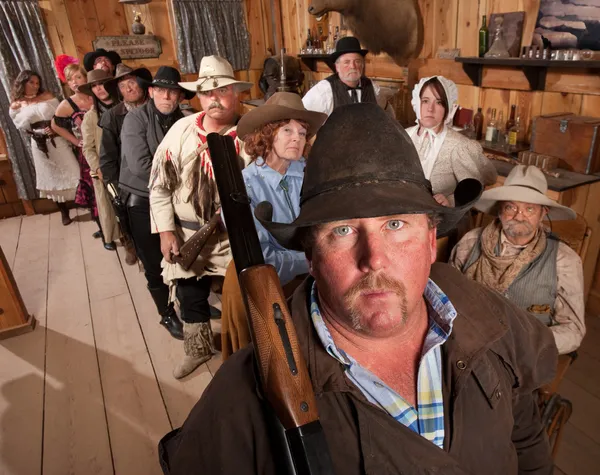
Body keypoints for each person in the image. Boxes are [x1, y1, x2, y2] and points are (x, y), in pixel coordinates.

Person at [159, 103, 557, 475]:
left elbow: (524, 436)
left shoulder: (493, 321)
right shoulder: (243, 399)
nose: (375, 259)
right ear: (311, 256)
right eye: (344, 230)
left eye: (396, 225)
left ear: (431, 237)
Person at [149, 55, 252, 378]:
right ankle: (197, 349)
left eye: (222, 91)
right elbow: (159, 187)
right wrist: (166, 231)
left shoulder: (252, 133)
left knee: (242, 298)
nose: (214, 99)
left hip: (234, 236)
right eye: (207, 93)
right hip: (187, 236)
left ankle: (245, 356)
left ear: (236, 92)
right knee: (190, 295)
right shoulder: (181, 131)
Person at [219, 92, 327, 359]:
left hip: (311, 274)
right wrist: (309, 262)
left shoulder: (310, 174)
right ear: (267, 134)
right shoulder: (245, 186)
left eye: (302, 132)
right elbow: (260, 257)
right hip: (262, 280)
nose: (297, 138)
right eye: (287, 129)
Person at [450, 165, 586, 355]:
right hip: (468, 344)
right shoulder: (471, 243)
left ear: (542, 213)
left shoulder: (564, 260)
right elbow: (448, 300)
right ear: (499, 210)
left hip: (524, 356)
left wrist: (526, 345)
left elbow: (572, 329)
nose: (518, 216)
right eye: (511, 207)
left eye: (529, 209)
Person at [119, 66, 195, 340]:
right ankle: (166, 313)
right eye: (160, 90)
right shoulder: (135, 120)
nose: (166, 96)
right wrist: (185, 178)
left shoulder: (186, 120)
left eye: (172, 91)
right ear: (151, 92)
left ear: (179, 95)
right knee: (153, 262)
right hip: (142, 201)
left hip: (176, 198)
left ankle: (190, 306)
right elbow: (141, 167)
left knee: (183, 255)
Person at [406, 76, 497, 206]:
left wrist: (450, 200)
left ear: (447, 108)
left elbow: (474, 189)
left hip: (444, 220)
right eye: (425, 101)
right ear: (416, 102)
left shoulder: (458, 146)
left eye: (439, 102)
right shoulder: (404, 136)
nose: (430, 108)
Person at [9, 70, 80, 225]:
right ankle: (64, 212)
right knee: (51, 176)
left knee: (73, 170)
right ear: (23, 83)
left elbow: (61, 116)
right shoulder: (17, 104)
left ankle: (86, 202)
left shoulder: (47, 96)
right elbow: (20, 126)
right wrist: (35, 132)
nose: (35, 86)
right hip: (40, 145)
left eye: (37, 83)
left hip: (58, 140)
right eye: (31, 82)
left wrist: (54, 128)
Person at [51, 60, 99, 232]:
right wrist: (74, 140)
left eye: (78, 77)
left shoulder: (96, 94)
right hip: (87, 152)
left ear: (85, 77)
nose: (75, 82)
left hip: (106, 146)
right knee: (95, 190)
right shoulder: (67, 104)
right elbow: (55, 125)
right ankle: (103, 229)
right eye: (70, 79)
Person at [80, 69, 124, 252]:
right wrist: (98, 167)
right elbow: (88, 147)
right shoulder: (91, 117)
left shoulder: (124, 107)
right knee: (110, 208)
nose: (99, 89)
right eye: (94, 86)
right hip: (107, 168)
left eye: (102, 83)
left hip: (128, 164)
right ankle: (120, 239)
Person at [302, 36, 391, 115]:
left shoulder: (373, 88)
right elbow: (302, 116)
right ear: (337, 66)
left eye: (357, 61)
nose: (353, 66)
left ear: (362, 65)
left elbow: (387, 113)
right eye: (346, 62)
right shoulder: (323, 92)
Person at [98, 63, 152, 190]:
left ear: (142, 83)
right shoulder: (112, 116)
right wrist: (116, 191)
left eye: (132, 83)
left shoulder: (156, 108)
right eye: (122, 86)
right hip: (130, 184)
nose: (128, 89)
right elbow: (108, 159)